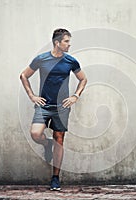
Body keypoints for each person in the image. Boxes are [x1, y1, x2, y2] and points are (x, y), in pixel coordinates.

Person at [20, 28, 87, 191]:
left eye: (69, 41)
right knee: (35, 134)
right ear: (57, 43)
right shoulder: (41, 59)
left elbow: (83, 79)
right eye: (66, 41)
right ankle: (46, 144)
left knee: (59, 140)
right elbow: (24, 75)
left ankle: (55, 178)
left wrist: (75, 96)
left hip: (62, 107)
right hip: (44, 106)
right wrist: (32, 96)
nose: (69, 44)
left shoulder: (71, 61)